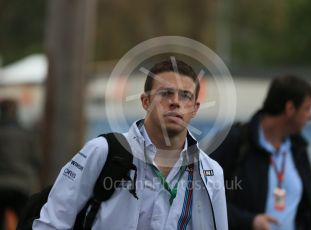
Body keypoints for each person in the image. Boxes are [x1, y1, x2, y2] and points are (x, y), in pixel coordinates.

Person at [32, 59, 228, 229]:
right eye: (166, 93)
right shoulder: (102, 151)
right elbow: (51, 223)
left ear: (195, 109)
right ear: (145, 101)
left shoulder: (211, 172)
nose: (175, 102)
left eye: (185, 96)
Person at [211, 75, 311, 230]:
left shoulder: (299, 149)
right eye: (307, 108)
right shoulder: (236, 141)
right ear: (290, 108)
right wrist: (250, 221)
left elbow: (308, 210)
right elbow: (203, 197)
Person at [0, 99, 42, 229]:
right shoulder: (27, 134)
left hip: (1, 186)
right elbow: (37, 160)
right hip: (23, 187)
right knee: (26, 223)